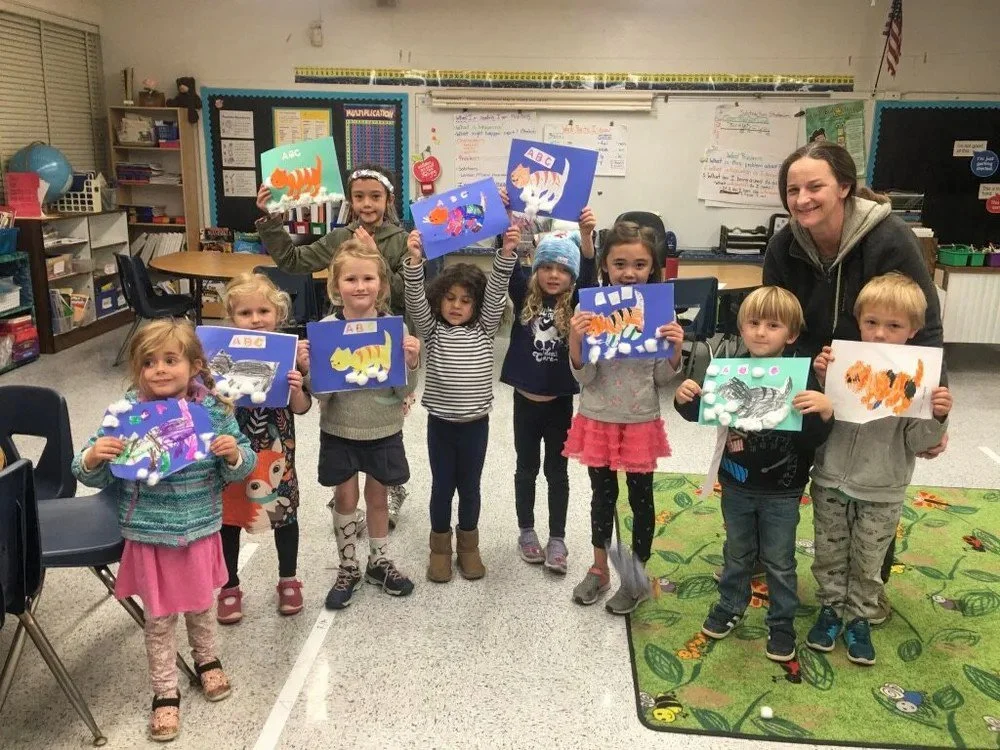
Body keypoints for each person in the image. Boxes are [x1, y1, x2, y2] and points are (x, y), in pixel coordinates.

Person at [763, 140, 948, 619]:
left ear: (844, 187)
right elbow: (773, 313)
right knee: (793, 473)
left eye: (815, 186)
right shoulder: (784, 245)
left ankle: (869, 583)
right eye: (793, 190)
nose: (802, 198)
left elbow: (924, 323)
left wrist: (931, 407)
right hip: (808, 370)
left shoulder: (890, 239)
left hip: (875, 382)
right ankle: (772, 555)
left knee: (871, 487)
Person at [72, 319, 255, 742]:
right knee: (157, 618)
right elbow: (88, 471)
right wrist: (95, 456)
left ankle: (207, 660)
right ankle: (165, 691)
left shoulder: (212, 411)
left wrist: (232, 454)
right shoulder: (125, 413)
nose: (159, 370)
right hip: (149, 533)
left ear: (194, 366)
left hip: (198, 528)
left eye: (170, 360)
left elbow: (243, 464)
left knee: (201, 605)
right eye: (148, 362)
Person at [674, 286, 834, 662]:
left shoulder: (802, 375)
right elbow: (702, 411)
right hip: (736, 483)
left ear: (790, 334)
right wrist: (685, 399)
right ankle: (731, 605)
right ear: (742, 327)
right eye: (754, 323)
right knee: (737, 552)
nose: (761, 332)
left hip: (783, 489)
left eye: (773, 325)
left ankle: (781, 622)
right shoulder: (730, 370)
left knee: (779, 561)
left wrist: (825, 412)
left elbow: (814, 437)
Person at [806, 272, 951, 665]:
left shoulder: (918, 380)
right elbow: (816, 417)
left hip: (883, 489)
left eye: (894, 326)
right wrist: (821, 379)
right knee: (829, 553)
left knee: (869, 560)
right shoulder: (841, 363)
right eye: (871, 322)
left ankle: (860, 617)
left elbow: (919, 442)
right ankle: (830, 609)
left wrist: (937, 416)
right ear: (859, 322)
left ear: (914, 330)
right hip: (831, 479)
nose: (881, 333)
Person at [256, 165, 412, 527]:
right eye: (359, 196)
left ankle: (388, 485)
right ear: (350, 200)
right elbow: (293, 261)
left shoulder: (402, 240)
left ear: (388, 199)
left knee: (385, 412)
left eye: (375, 196)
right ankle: (346, 480)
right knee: (343, 408)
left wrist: (376, 256)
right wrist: (271, 222)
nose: (367, 204)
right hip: (341, 338)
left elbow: (405, 292)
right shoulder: (340, 236)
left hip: (385, 343)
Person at [563, 221, 684, 615]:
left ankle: (637, 576)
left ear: (653, 268)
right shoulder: (588, 310)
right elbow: (584, 377)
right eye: (619, 264)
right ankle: (599, 569)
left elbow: (663, 379)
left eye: (639, 264)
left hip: (640, 420)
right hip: (599, 417)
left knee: (641, 498)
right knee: (602, 497)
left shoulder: (660, 312)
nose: (629, 272)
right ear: (605, 266)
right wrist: (576, 340)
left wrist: (675, 349)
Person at [307, 240, 421, 609]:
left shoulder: (393, 329)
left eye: (368, 278)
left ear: (381, 284)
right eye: (351, 279)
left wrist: (412, 362)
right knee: (345, 498)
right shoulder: (325, 330)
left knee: (378, 498)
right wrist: (310, 369)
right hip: (339, 430)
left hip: (384, 429)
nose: (360, 286)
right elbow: (321, 395)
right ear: (335, 286)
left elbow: (404, 389)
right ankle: (348, 566)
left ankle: (379, 561)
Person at [404, 224, 521, 582]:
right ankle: (440, 550)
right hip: (440, 426)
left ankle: (469, 547)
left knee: (470, 488)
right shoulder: (433, 330)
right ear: (439, 299)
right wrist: (414, 261)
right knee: (442, 488)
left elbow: (497, 290)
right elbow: (414, 300)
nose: (456, 306)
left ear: (477, 305)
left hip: (475, 426)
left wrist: (506, 253)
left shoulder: (485, 329)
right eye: (450, 298)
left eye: (466, 300)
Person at [500, 213, 596, 573]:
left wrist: (586, 237)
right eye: (546, 267)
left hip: (559, 403)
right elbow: (509, 264)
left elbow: (591, 275)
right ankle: (526, 531)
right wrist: (505, 229)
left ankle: (557, 538)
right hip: (525, 403)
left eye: (563, 269)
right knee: (526, 469)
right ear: (536, 269)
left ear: (572, 276)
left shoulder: (576, 303)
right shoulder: (526, 294)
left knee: (557, 473)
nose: (554, 274)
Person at [215, 273, 312, 624]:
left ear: (278, 314)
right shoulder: (219, 356)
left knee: (283, 514)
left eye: (263, 311)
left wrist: (297, 387)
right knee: (228, 518)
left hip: (277, 450)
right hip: (230, 450)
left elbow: (302, 408)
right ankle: (229, 585)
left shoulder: (287, 354)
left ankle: (288, 579)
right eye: (245, 313)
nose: (256, 319)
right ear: (231, 317)